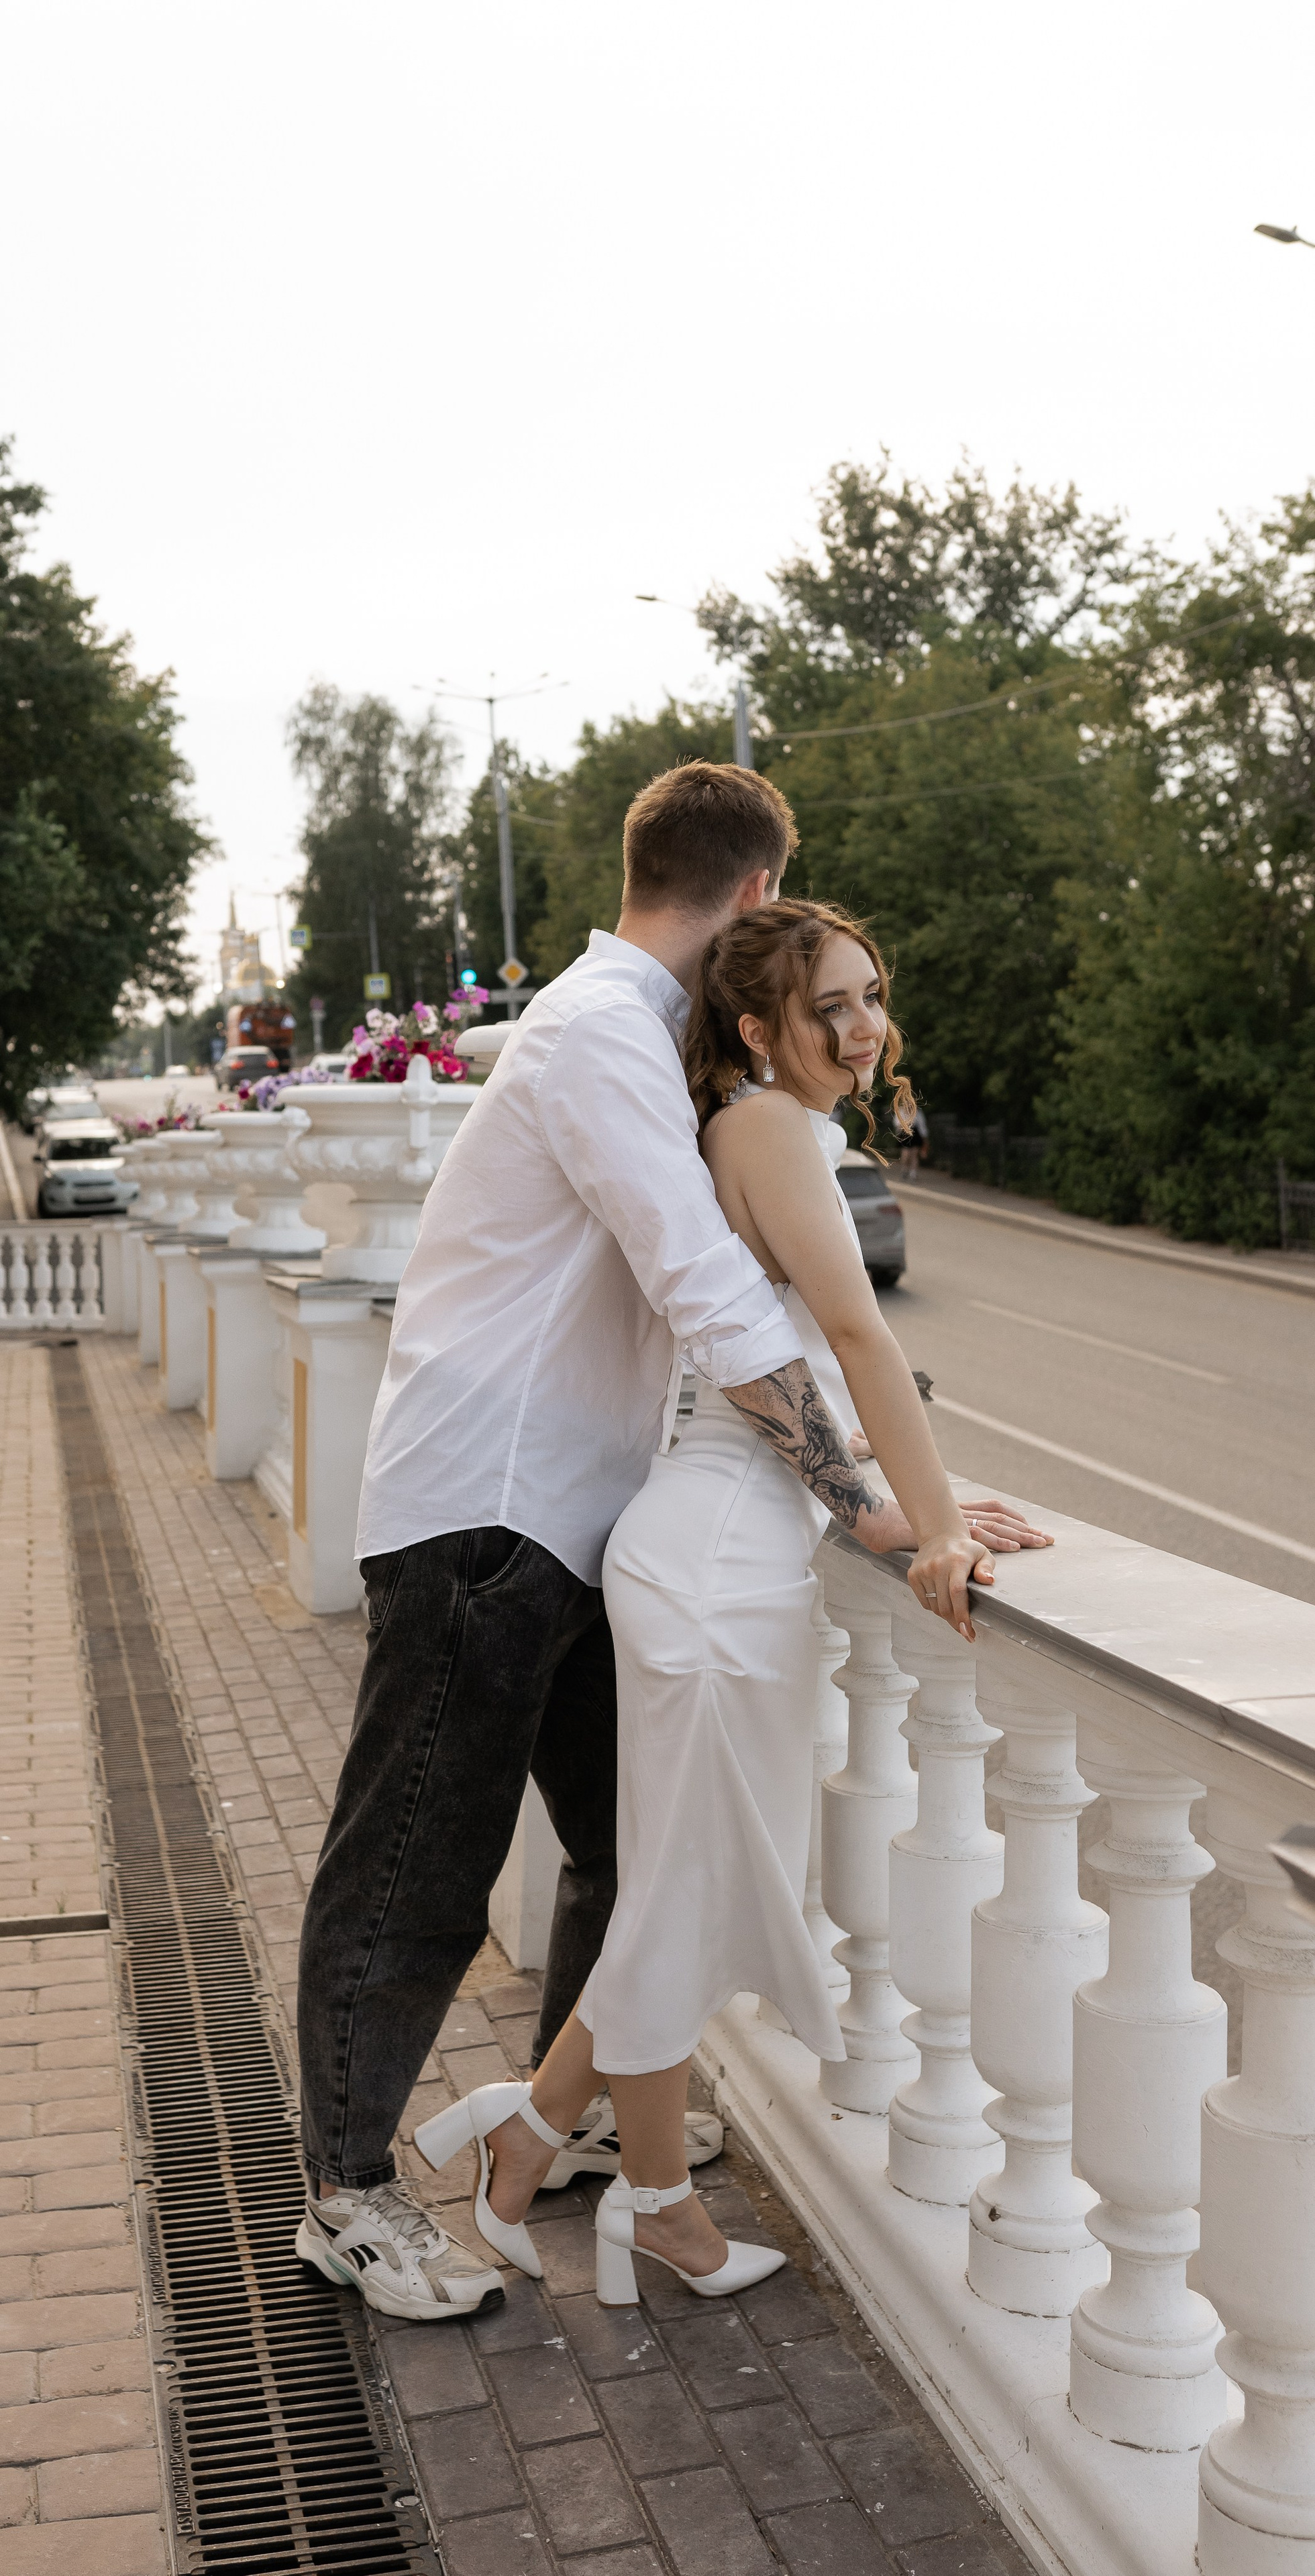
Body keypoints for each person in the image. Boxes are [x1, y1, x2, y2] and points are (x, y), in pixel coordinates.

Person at [294, 765, 1043, 2322]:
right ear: (752, 892)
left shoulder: (642, 1042)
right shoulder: (594, 1032)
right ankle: (349, 2195)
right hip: (485, 1509)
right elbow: (710, 1293)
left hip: (584, 1515)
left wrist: (882, 1492)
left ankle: (559, 2131)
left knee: (633, 1850)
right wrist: (881, 1510)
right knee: (418, 1859)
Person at [897, 1098, 929, 1180]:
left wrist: (924, 1138)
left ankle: (913, 1173)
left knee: (914, 1155)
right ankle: (905, 1169)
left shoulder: (918, 1113)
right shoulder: (901, 1112)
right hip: (905, 1134)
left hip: (915, 1135)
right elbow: (897, 1124)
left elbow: (922, 1126)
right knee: (905, 1155)